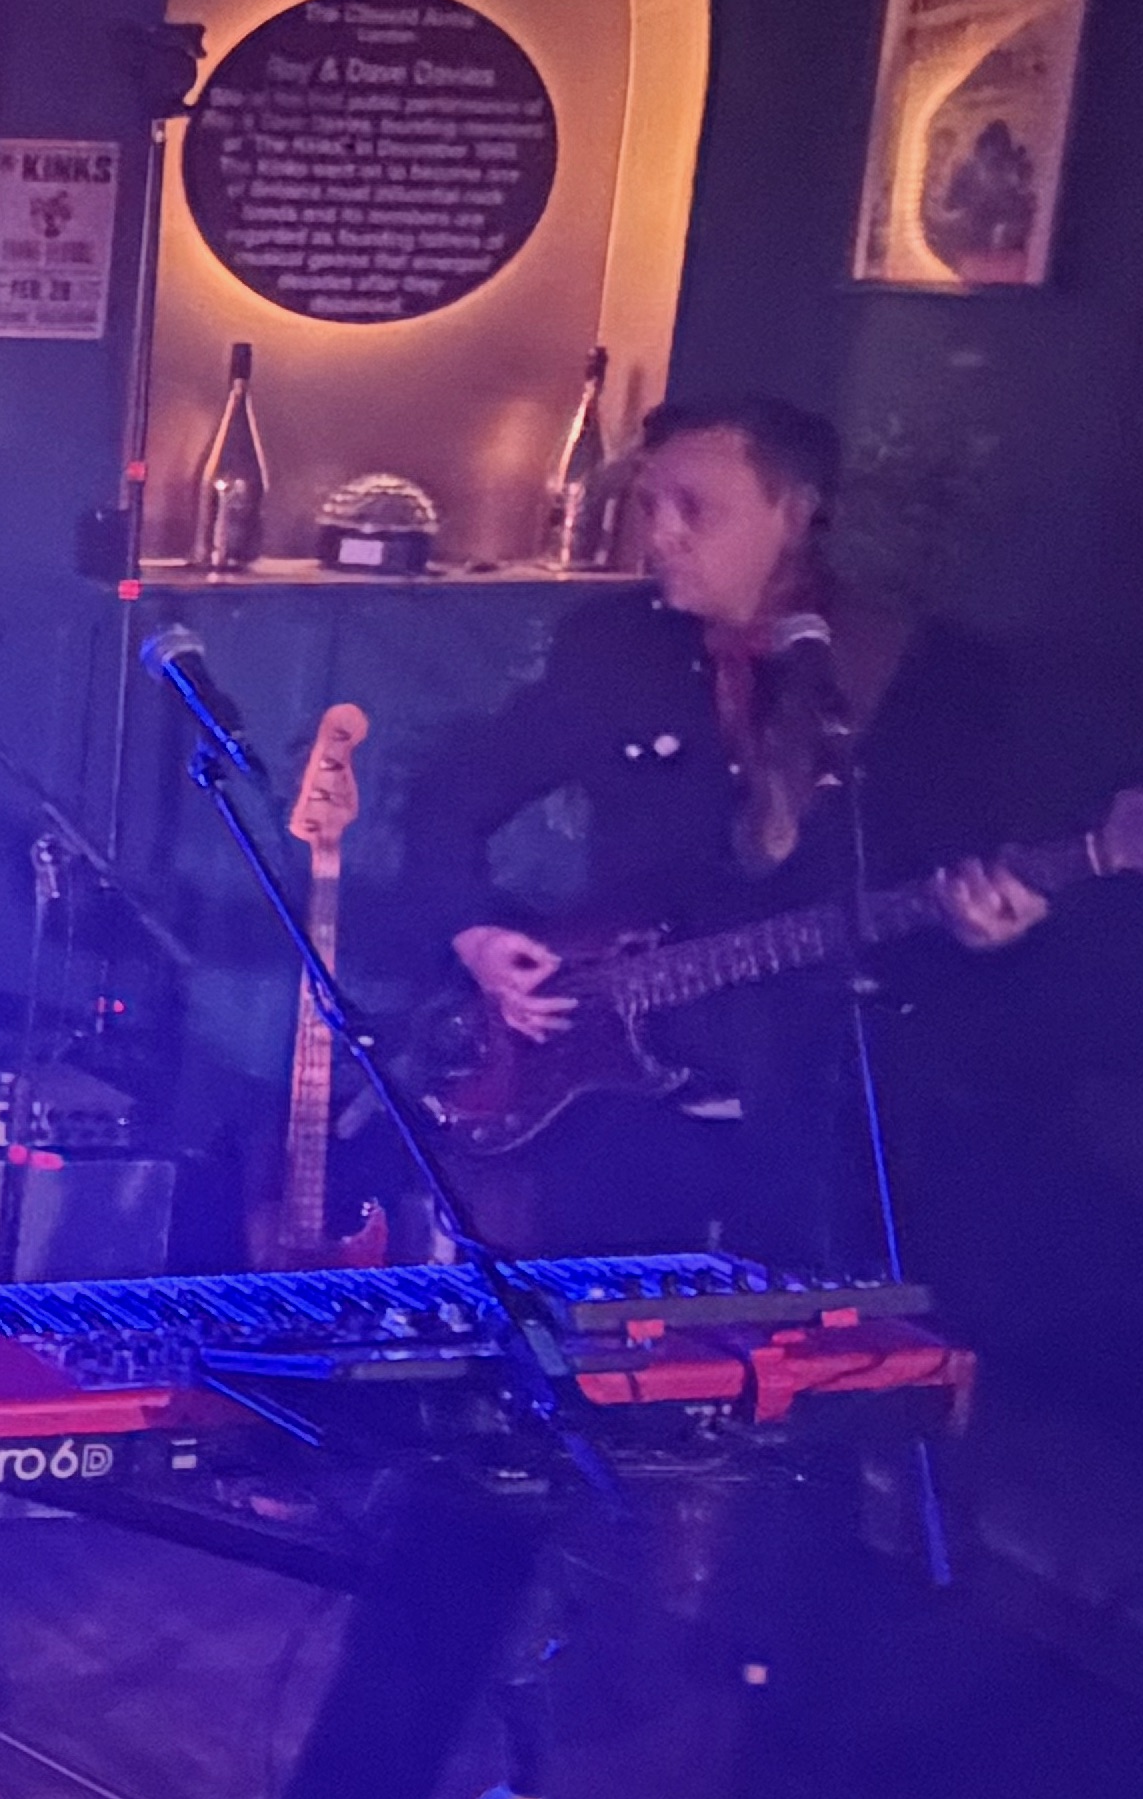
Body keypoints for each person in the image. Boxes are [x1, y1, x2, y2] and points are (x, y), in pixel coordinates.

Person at [399, 393, 1043, 1271]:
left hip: (825, 1105)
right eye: (649, 505)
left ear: (795, 512)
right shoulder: (617, 648)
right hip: (619, 1093)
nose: (660, 534)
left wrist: (989, 930)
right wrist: (475, 932)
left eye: (693, 509)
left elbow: (974, 873)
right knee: (600, 1316)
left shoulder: (928, 673)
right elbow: (449, 796)